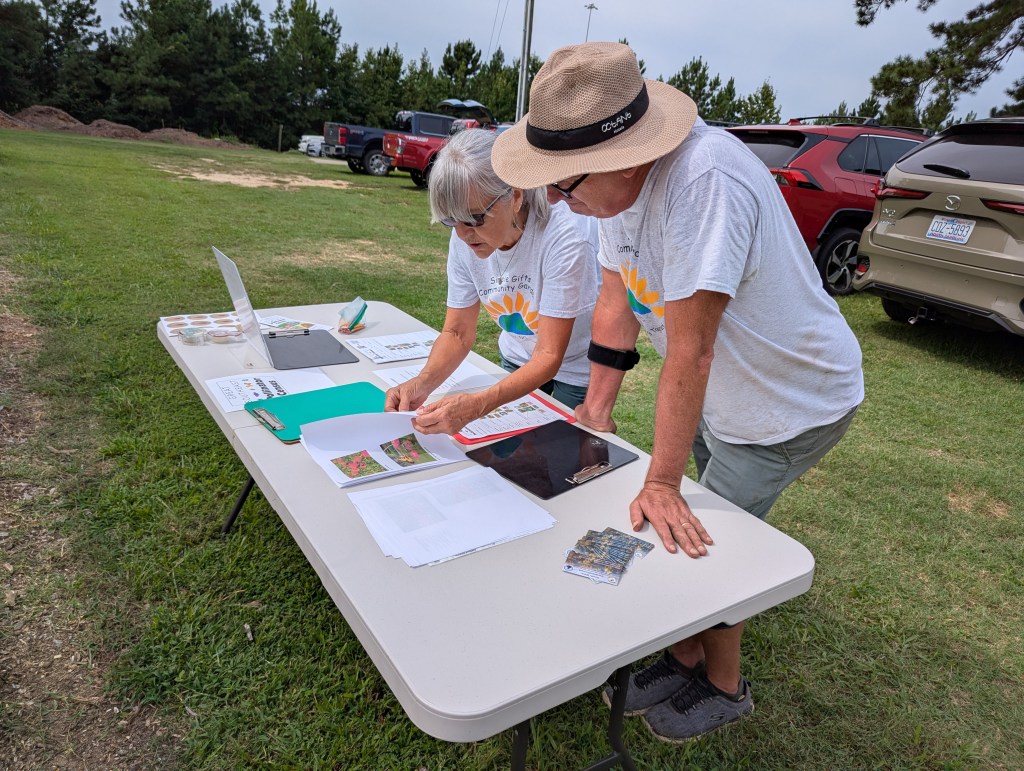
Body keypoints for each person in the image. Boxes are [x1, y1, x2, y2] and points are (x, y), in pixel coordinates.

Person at [491, 42, 864, 742]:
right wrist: (595, 410)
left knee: (710, 539)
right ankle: (684, 650)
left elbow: (691, 349)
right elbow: (616, 301)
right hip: (722, 391)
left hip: (786, 403)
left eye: (563, 184)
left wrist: (662, 478)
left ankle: (723, 686)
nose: (552, 200)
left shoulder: (704, 181)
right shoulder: (610, 200)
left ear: (623, 158)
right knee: (686, 519)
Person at [385, 128, 599, 436]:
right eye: (451, 221)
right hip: (517, 355)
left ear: (514, 195)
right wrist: (422, 382)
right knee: (512, 452)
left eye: (475, 219)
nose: (462, 234)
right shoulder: (464, 236)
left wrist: (478, 404)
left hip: (574, 367)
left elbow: (550, 356)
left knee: (559, 454)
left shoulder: (564, 236)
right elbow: (457, 332)